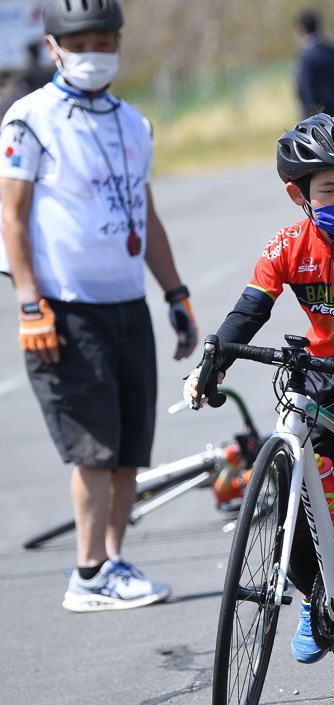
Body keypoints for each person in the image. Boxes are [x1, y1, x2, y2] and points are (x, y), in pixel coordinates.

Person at [185, 113, 334, 664]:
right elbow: (249, 310)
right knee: (297, 470)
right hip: (324, 368)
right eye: (329, 188)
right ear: (298, 194)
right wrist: (212, 362)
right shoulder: (286, 246)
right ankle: (315, 593)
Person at [0, 0, 197, 612]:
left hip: (126, 304)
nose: (93, 52)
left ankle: (112, 561)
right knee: (93, 447)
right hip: (66, 308)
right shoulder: (27, 120)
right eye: (78, 41)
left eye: (103, 40)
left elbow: (148, 215)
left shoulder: (134, 123)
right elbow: (11, 216)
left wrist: (176, 293)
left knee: (129, 447)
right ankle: (86, 573)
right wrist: (29, 303)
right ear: (54, 47)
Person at [294, 9, 334, 118]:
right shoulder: (333, 50)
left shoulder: (305, 56)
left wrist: (308, 113)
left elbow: (306, 87)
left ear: (302, 29)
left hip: (317, 114)